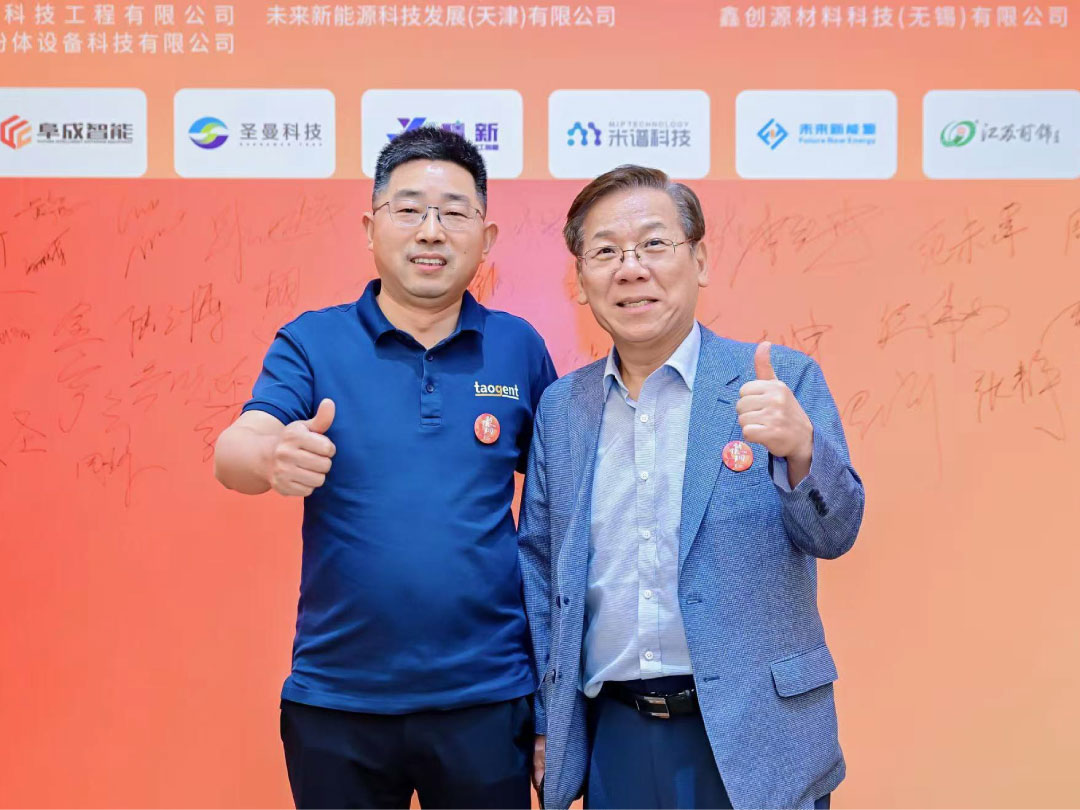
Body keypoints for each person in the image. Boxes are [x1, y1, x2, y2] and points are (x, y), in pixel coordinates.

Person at [214, 126, 557, 809]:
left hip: (487, 698)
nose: (431, 231)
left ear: (486, 238)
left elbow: (561, 509)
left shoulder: (518, 348)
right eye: (409, 210)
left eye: (454, 212)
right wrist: (271, 455)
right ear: (371, 228)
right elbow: (236, 449)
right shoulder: (312, 341)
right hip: (338, 700)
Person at [519, 165, 865, 809]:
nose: (631, 269)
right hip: (616, 733)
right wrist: (546, 720)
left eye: (654, 244)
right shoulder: (563, 410)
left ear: (699, 260)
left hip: (761, 732)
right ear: (581, 280)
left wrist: (801, 450)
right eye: (605, 252)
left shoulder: (778, 380)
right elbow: (541, 573)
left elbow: (836, 532)